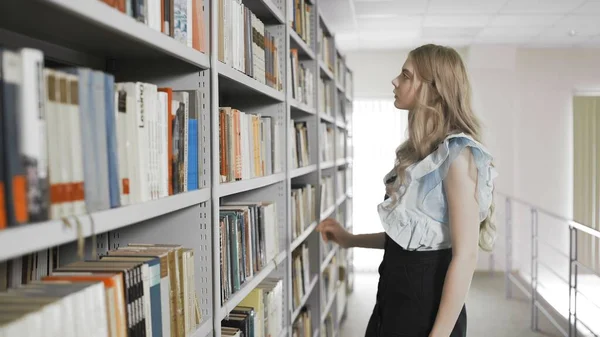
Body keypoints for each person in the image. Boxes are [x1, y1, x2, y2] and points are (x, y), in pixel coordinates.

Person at [316, 44, 498, 337]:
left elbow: (465, 257)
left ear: (434, 89)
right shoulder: (418, 154)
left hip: (426, 310)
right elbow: (409, 241)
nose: (395, 81)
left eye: (405, 75)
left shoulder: (458, 156)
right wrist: (349, 240)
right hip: (391, 297)